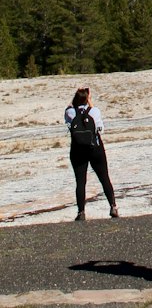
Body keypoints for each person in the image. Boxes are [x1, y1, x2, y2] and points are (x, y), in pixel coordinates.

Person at [65, 86, 118, 221]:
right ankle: (113, 206)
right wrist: (90, 100)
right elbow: (100, 127)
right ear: (88, 99)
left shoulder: (70, 112)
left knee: (80, 181)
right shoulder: (94, 111)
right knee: (104, 178)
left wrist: (78, 97)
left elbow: (69, 108)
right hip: (95, 148)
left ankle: (81, 211)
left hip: (78, 150)